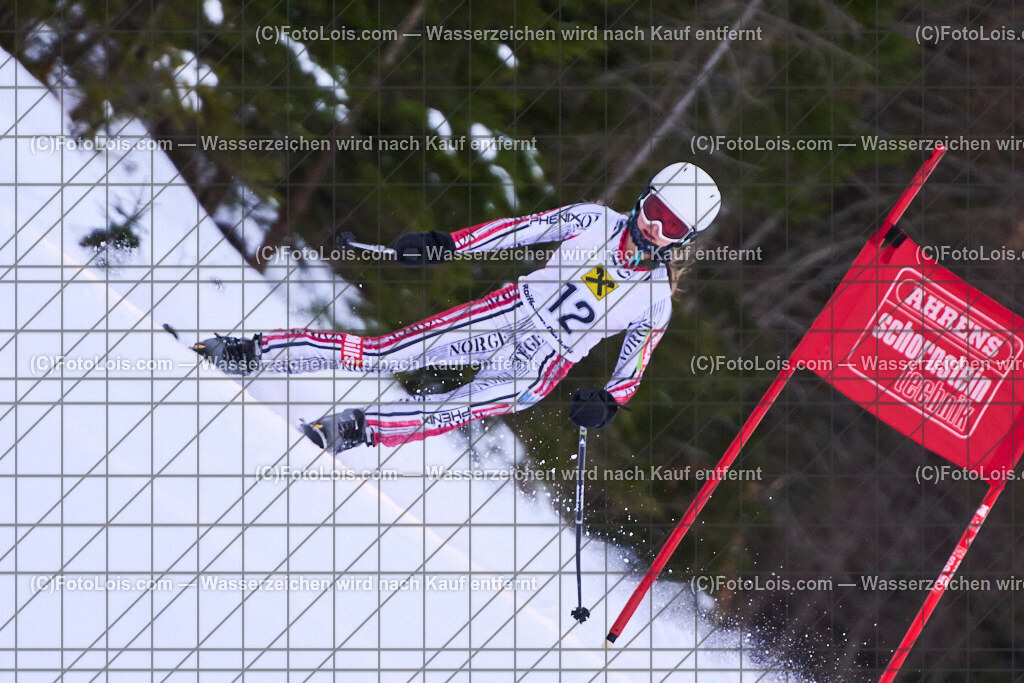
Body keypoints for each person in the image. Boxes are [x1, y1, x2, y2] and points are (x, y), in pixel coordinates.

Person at [193, 162, 721, 453]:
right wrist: (445, 242)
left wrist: (605, 403)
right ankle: (250, 350)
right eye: (655, 210)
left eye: (671, 226)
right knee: (386, 354)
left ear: (684, 238)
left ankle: (357, 429)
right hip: (508, 310)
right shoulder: (592, 220)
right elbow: (515, 232)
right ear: (642, 199)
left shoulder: (653, 299)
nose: (654, 227)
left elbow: (634, 367)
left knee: (459, 406)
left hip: (543, 361)